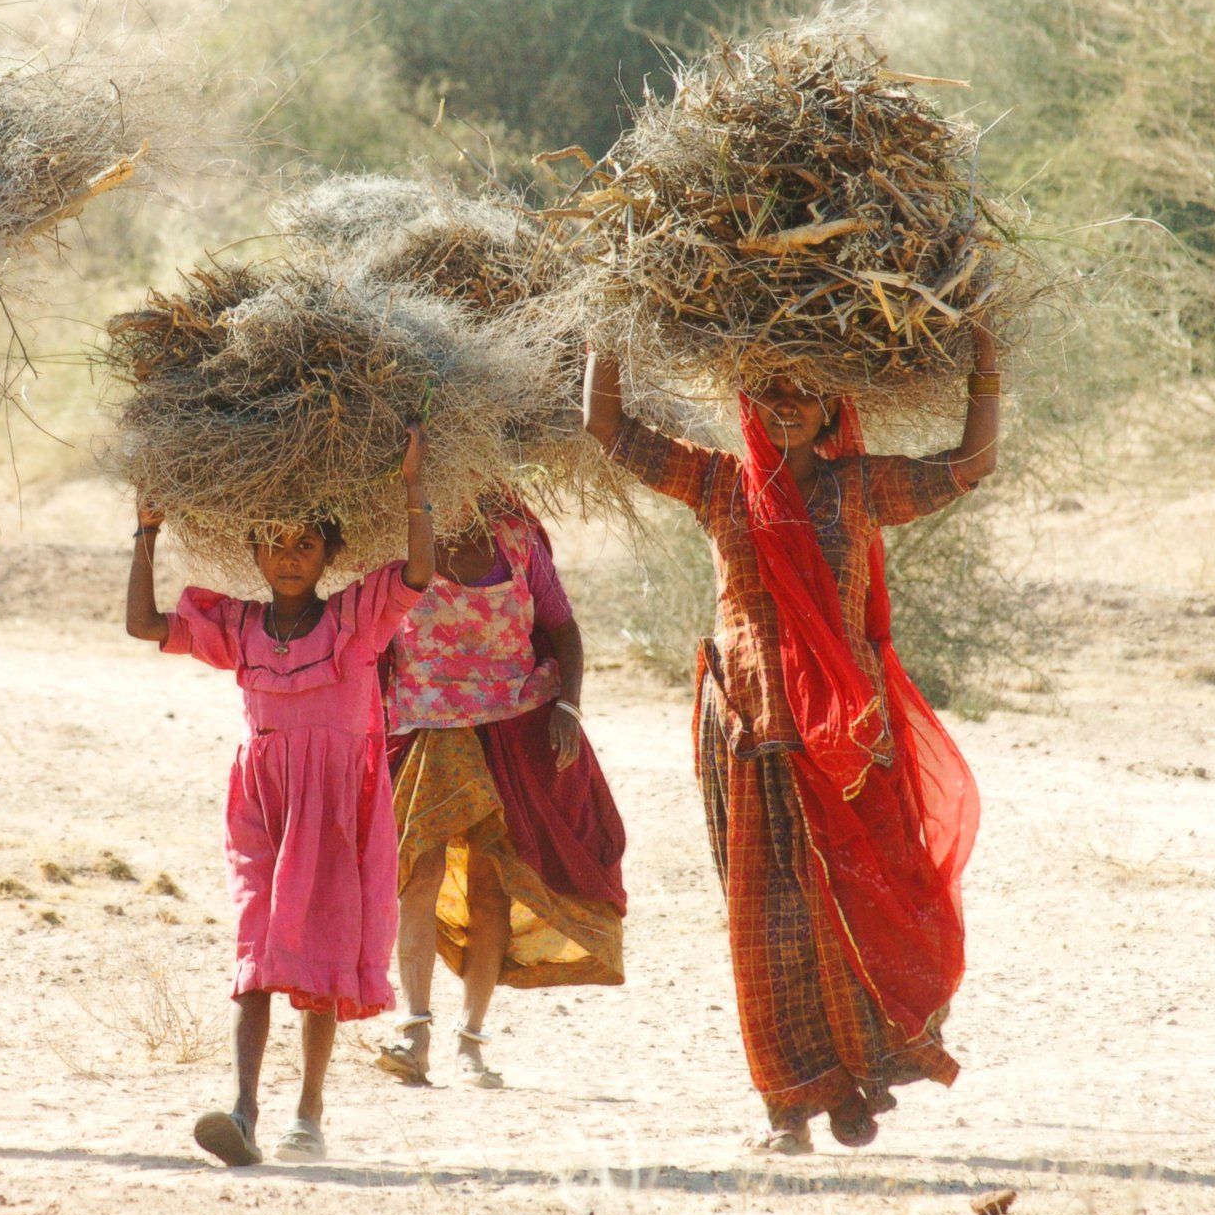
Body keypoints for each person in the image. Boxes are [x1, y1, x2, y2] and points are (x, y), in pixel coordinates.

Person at [583, 326, 1000, 1153]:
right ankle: (790, 1108)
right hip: (751, 730)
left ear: (832, 405)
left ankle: (861, 1076)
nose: (787, 406)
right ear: (746, 397)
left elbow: (970, 464)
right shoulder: (719, 483)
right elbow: (607, 428)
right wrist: (608, 327)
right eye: (771, 388)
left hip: (847, 741)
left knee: (856, 907)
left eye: (805, 391)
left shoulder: (861, 489)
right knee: (766, 924)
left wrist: (985, 364)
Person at [124, 427, 435, 1166]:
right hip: (261, 804)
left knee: (318, 948)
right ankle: (243, 1111)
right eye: (274, 544)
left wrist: (414, 488)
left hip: (333, 807)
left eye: (304, 545)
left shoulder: (356, 619)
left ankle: (308, 1111)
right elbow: (142, 623)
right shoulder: (236, 626)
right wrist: (146, 532)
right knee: (257, 947)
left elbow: (419, 573)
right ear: (254, 553)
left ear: (329, 554)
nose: (289, 557)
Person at [374, 504, 626, 1090]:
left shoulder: (516, 542)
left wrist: (568, 706)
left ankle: (471, 1041)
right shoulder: (398, 541)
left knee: (491, 884)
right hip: (428, 725)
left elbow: (563, 630)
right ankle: (414, 1033)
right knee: (421, 872)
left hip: (511, 727)